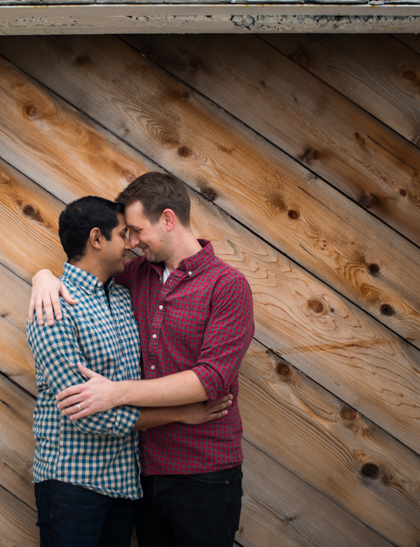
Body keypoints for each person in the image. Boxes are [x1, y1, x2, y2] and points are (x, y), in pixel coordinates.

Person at [29, 174, 255, 547]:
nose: (131, 244)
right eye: (126, 234)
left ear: (168, 219)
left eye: (136, 231)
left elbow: (211, 380)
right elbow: (86, 272)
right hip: (144, 476)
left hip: (204, 470)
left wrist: (117, 392)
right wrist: (44, 277)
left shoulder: (227, 285)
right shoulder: (136, 275)